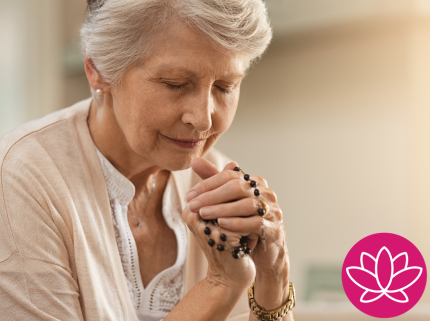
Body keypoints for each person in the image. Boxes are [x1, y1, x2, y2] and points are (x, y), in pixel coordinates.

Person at [0, 0, 294, 320]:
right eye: (175, 84)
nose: (203, 119)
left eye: (225, 86)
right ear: (96, 68)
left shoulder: (217, 180)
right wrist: (220, 284)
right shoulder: (22, 177)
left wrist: (273, 275)